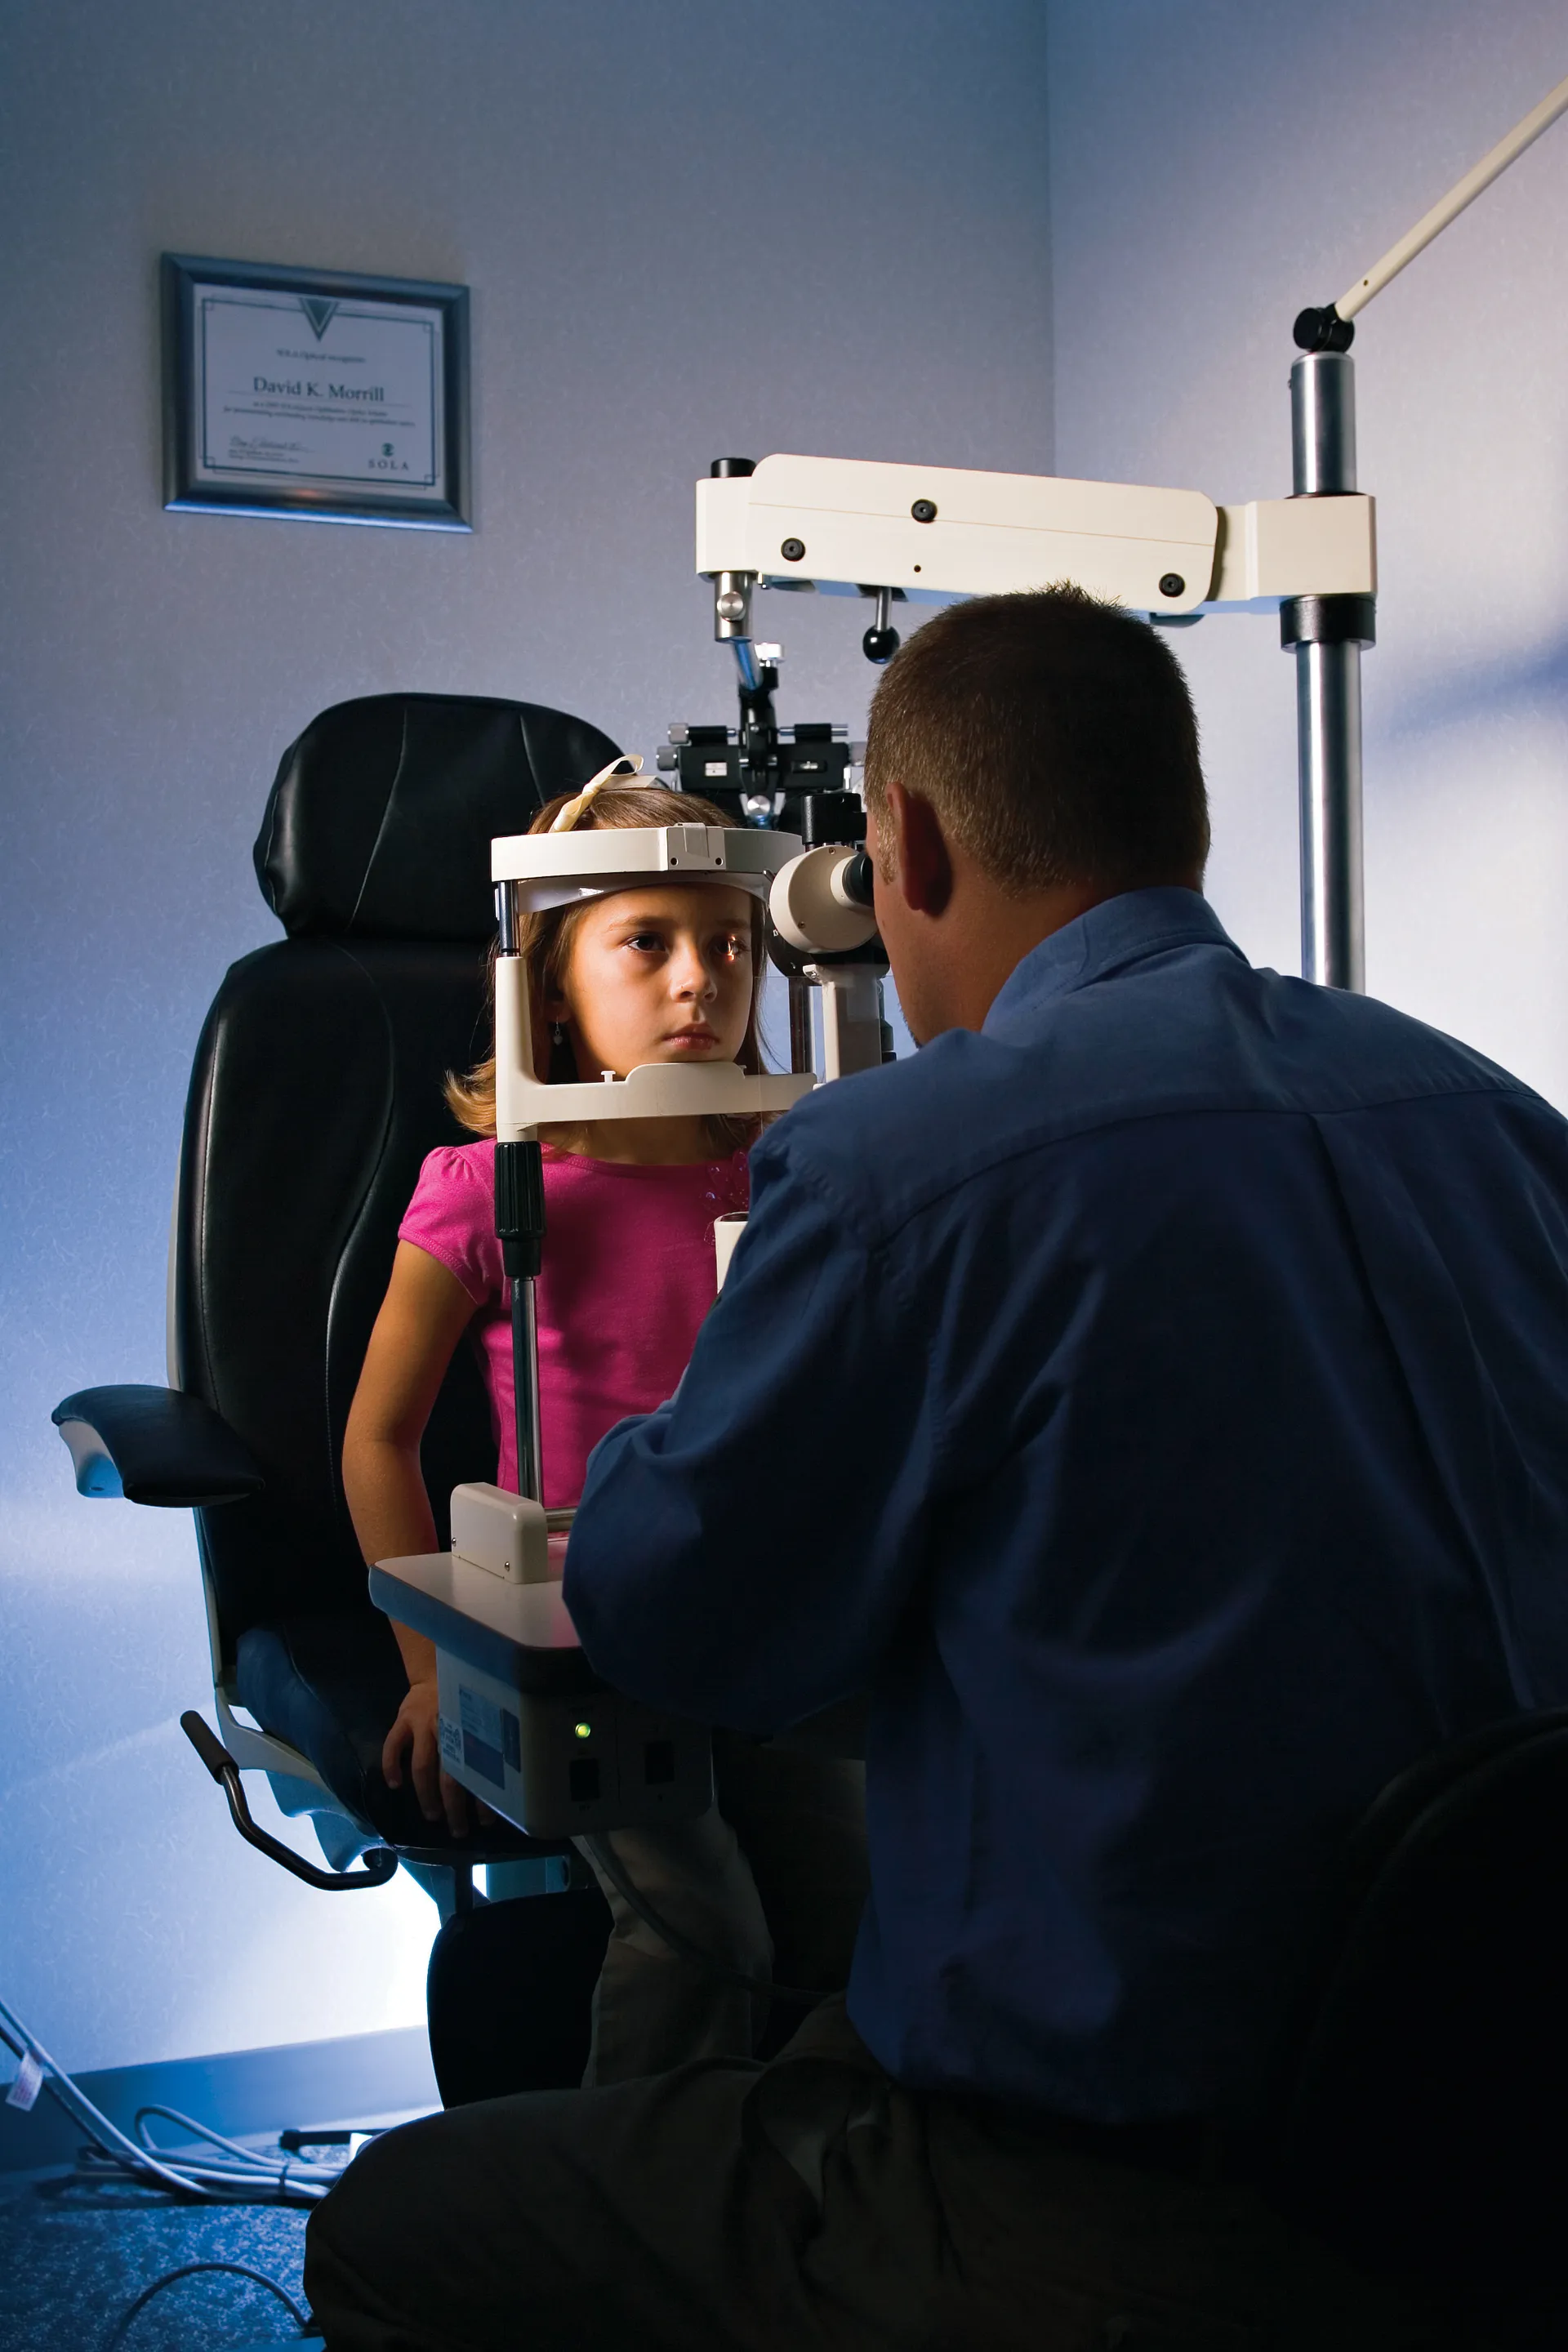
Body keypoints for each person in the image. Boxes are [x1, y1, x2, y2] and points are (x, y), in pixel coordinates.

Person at [307, 589, 1568, 2349]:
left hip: (1101, 2197)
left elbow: (673, 1617)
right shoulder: (1501, 1124)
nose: (699, 983)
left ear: (890, 845)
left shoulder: (894, 1167)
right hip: (1483, 2145)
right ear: (1185, 824)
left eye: (723, 941)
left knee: (390, 2231)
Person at [341, 772, 866, 2085]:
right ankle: (639, 2220)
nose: (702, 980)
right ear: (551, 994)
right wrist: (430, 1670)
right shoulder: (486, 1190)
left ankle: (811, 2210)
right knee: (704, 1938)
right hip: (579, 1636)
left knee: (857, 1920)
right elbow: (378, 1439)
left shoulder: (784, 1170)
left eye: (732, 944)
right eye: (647, 942)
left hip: (761, 1621)